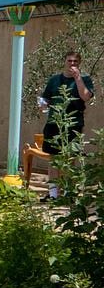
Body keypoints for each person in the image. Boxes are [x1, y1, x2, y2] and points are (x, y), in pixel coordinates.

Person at [39, 50, 94, 198]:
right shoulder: (54, 80)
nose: (72, 64)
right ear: (65, 61)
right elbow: (45, 99)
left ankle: (69, 192)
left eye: (75, 62)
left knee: (70, 157)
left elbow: (85, 96)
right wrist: (43, 105)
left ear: (79, 63)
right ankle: (53, 193)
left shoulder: (85, 79)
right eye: (69, 61)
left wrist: (77, 78)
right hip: (54, 123)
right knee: (54, 158)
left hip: (74, 123)